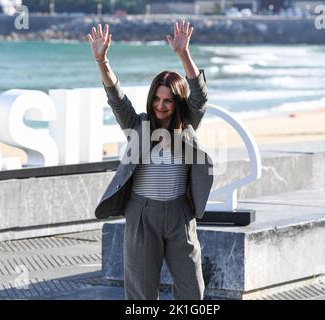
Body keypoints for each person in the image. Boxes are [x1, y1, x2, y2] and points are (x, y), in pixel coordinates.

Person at [88, 20, 214, 300]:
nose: (160, 105)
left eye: (167, 100)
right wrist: (102, 61)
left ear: (177, 102)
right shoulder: (139, 126)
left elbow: (201, 96)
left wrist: (184, 55)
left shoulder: (188, 126)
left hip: (180, 213)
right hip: (142, 214)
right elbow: (117, 99)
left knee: (193, 291)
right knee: (142, 294)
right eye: (156, 98)